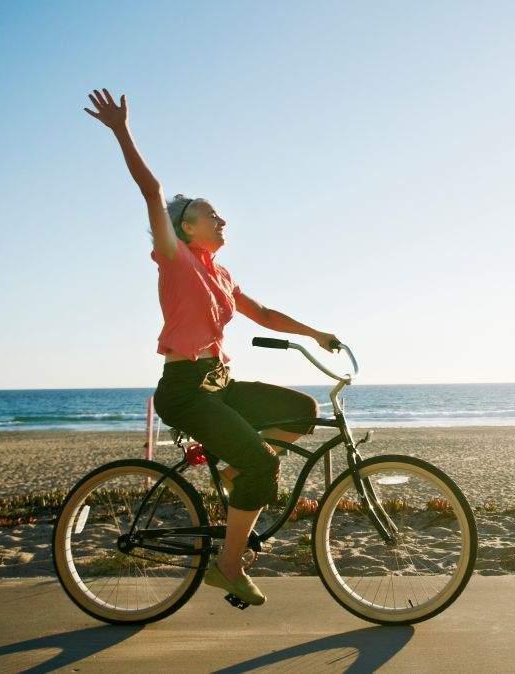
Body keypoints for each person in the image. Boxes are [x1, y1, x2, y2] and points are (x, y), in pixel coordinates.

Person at [84, 88, 338, 606]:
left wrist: (316, 333)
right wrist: (121, 131)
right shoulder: (173, 257)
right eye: (212, 214)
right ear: (186, 226)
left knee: (302, 409)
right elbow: (152, 192)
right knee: (264, 466)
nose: (223, 220)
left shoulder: (218, 273)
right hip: (185, 390)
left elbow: (262, 314)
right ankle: (227, 565)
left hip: (218, 386)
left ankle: (229, 467)